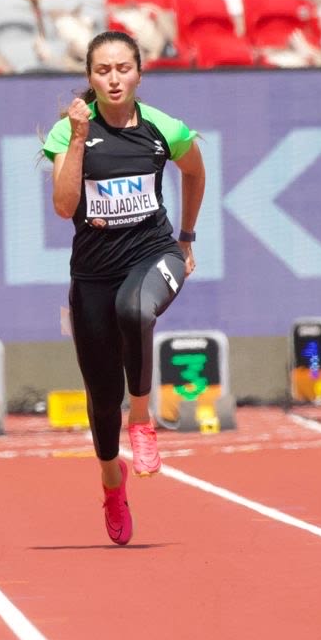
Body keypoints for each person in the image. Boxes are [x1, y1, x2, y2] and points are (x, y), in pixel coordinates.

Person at [42, 29, 205, 543]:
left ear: (138, 72)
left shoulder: (163, 128)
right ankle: (113, 481)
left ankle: (143, 417)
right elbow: (65, 207)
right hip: (92, 273)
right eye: (102, 71)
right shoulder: (68, 130)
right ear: (90, 78)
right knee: (100, 395)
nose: (114, 79)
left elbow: (195, 174)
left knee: (136, 309)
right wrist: (74, 138)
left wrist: (186, 238)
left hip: (154, 254)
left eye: (122, 69)